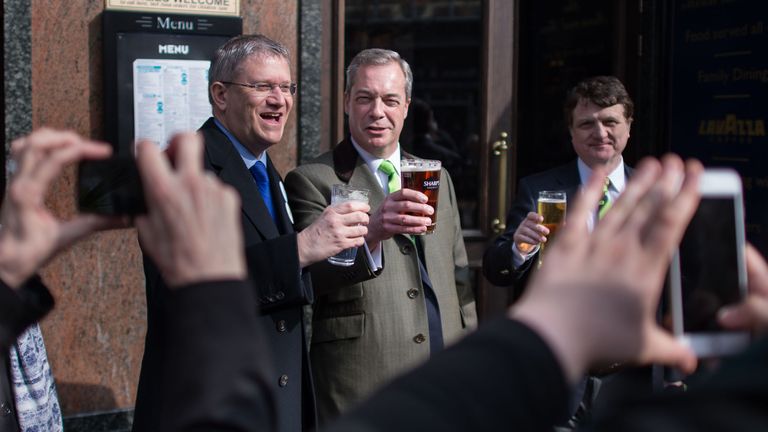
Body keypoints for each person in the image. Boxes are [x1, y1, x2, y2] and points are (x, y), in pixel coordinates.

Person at [134, 35, 371, 432]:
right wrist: (301, 247)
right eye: (262, 87)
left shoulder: (263, 168)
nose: (279, 99)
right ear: (220, 95)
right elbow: (178, 295)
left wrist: (364, 238)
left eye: (286, 87)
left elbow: (284, 280)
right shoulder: (182, 169)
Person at [284, 48, 476, 423]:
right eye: (364, 98)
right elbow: (312, 278)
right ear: (346, 103)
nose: (377, 112)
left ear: (406, 106)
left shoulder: (437, 176)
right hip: (361, 378)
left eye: (390, 100)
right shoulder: (312, 179)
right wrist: (372, 233)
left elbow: (459, 278)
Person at [482, 75, 637, 426]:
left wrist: (674, 370)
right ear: (571, 133)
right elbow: (496, 268)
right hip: (559, 371)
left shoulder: (651, 191)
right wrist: (520, 247)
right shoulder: (540, 189)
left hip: (634, 374)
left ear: (628, 126)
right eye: (586, 124)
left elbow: (679, 284)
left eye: (610, 121)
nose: (599, 132)